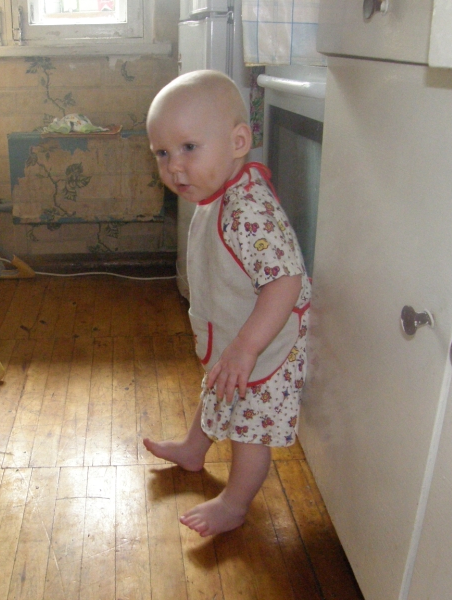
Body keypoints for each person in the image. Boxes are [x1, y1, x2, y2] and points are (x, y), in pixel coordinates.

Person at [143, 70, 311, 537]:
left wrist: (247, 347)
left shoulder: (249, 209)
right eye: (162, 153)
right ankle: (193, 449)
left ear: (238, 142)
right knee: (219, 388)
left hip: (267, 343)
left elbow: (286, 281)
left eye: (188, 148)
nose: (175, 166)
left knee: (248, 428)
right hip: (238, 333)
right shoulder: (217, 194)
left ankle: (235, 503)